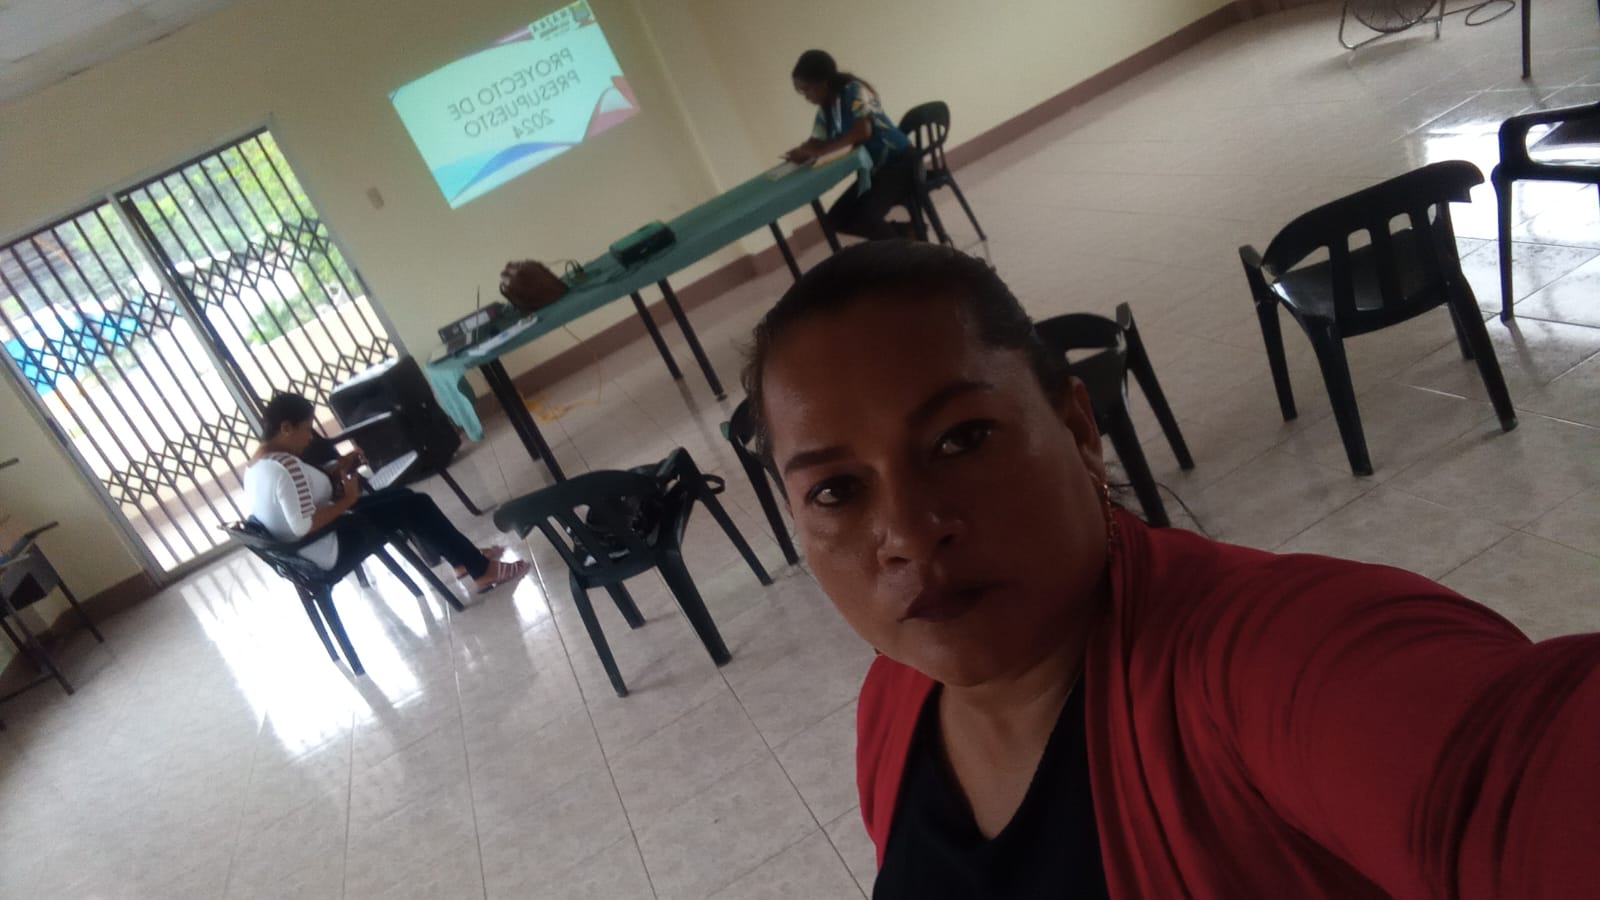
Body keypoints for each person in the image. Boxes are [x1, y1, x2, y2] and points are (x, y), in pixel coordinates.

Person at [740, 240, 1599, 898]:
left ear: (1079, 429)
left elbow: (1510, 780)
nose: (909, 533)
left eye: (961, 439)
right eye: (836, 490)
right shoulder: (893, 705)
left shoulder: (1265, 666)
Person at [243, 392, 527, 593]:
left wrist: (337, 470)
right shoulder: (285, 466)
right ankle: (480, 570)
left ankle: (462, 560)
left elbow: (298, 500)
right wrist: (349, 498)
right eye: (306, 430)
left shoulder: (257, 467)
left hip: (310, 550)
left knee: (408, 500)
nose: (309, 438)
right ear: (286, 428)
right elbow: (304, 525)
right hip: (329, 546)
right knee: (416, 505)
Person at [784, 49, 918, 241]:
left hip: (900, 163)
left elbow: (862, 132)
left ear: (823, 83)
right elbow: (816, 140)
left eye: (807, 90)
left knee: (867, 218)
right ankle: (904, 235)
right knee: (835, 220)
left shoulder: (854, 90)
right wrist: (802, 150)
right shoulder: (826, 109)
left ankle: (906, 253)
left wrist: (820, 152)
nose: (806, 97)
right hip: (876, 170)